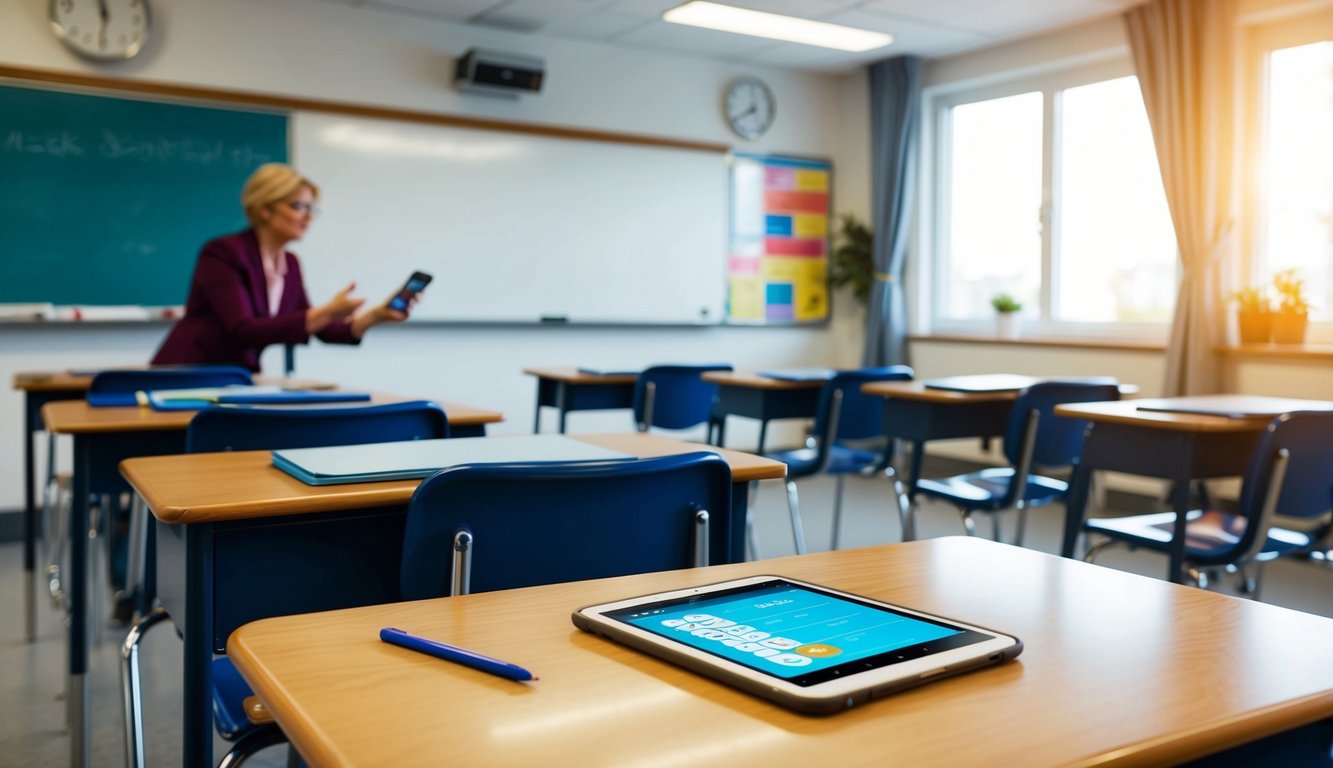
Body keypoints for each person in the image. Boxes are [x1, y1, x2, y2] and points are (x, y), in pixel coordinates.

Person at [152, 163, 407, 372]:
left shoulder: (290, 264)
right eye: (298, 206)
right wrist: (326, 312)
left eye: (311, 208)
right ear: (265, 209)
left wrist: (376, 316)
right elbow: (244, 330)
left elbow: (323, 330)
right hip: (186, 374)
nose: (307, 217)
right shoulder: (223, 252)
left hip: (235, 377)